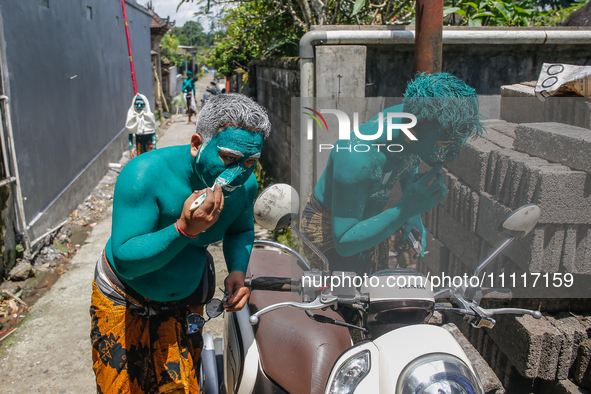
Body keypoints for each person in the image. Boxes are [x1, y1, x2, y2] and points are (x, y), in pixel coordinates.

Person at [90, 93, 271, 393]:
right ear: (197, 144)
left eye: (250, 162)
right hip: (124, 298)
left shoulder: (244, 186)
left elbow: (240, 229)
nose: (238, 173)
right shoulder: (144, 175)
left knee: (180, 386)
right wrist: (183, 230)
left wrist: (237, 271)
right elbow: (125, 260)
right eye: (228, 158)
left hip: (184, 304)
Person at [301, 73, 483, 275]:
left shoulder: (415, 123)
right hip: (333, 229)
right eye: (446, 144)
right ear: (409, 132)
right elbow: (344, 243)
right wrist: (404, 209)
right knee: (348, 298)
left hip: (369, 219)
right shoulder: (356, 158)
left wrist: (412, 215)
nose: (455, 153)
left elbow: (408, 156)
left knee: (377, 288)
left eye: (458, 143)